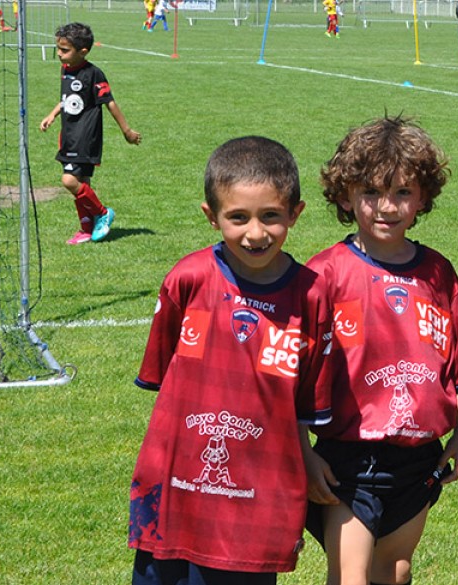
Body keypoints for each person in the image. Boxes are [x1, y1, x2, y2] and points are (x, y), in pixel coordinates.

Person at [129, 136, 335, 585]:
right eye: (237, 217)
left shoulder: (312, 295)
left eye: (271, 217)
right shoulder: (187, 280)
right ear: (211, 216)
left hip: (259, 495)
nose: (255, 233)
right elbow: (164, 378)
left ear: (295, 215)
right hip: (177, 487)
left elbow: (305, 402)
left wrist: (305, 457)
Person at [304, 116, 458, 585]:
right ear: (345, 196)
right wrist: (302, 450)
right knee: (351, 575)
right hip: (348, 459)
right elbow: (294, 378)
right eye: (371, 194)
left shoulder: (439, 273)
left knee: (396, 570)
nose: (387, 207)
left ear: (423, 198)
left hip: (418, 455)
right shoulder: (325, 274)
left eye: (403, 193)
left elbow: (456, 365)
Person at [39, 22, 141, 245]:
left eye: (64, 50)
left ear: (82, 51)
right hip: (68, 134)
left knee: (69, 181)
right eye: (58, 48)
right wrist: (53, 114)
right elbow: (67, 99)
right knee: (82, 183)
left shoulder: (93, 73)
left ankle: (103, 213)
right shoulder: (65, 70)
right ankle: (86, 229)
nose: (59, 54)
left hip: (86, 136)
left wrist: (127, 131)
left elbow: (110, 103)